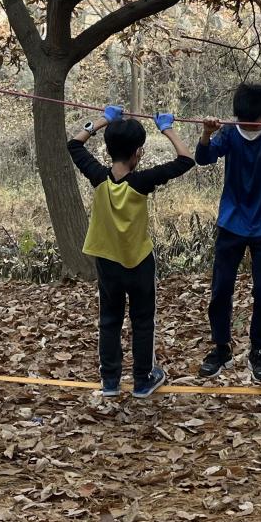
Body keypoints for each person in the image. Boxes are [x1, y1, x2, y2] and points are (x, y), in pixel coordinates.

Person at [68, 107, 196, 398]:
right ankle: (142, 380)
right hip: (139, 263)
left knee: (109, 320)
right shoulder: (142, 181)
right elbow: (186, 160)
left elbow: (74, 144)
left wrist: (103, 120)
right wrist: (166, 128)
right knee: (142, 321)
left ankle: (110, 382)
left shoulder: (98, 176)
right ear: (138, 152)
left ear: (108, 149)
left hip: (108, 262)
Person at [195, 82, 261, 382]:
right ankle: (221, 347)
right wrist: (206, 134)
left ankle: (258, 350)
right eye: (244, 120)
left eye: (255, 120)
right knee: (221, 289)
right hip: (232, 223)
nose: (249, 125)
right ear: (237, 116)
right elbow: (204, 158)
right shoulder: (230, 134)